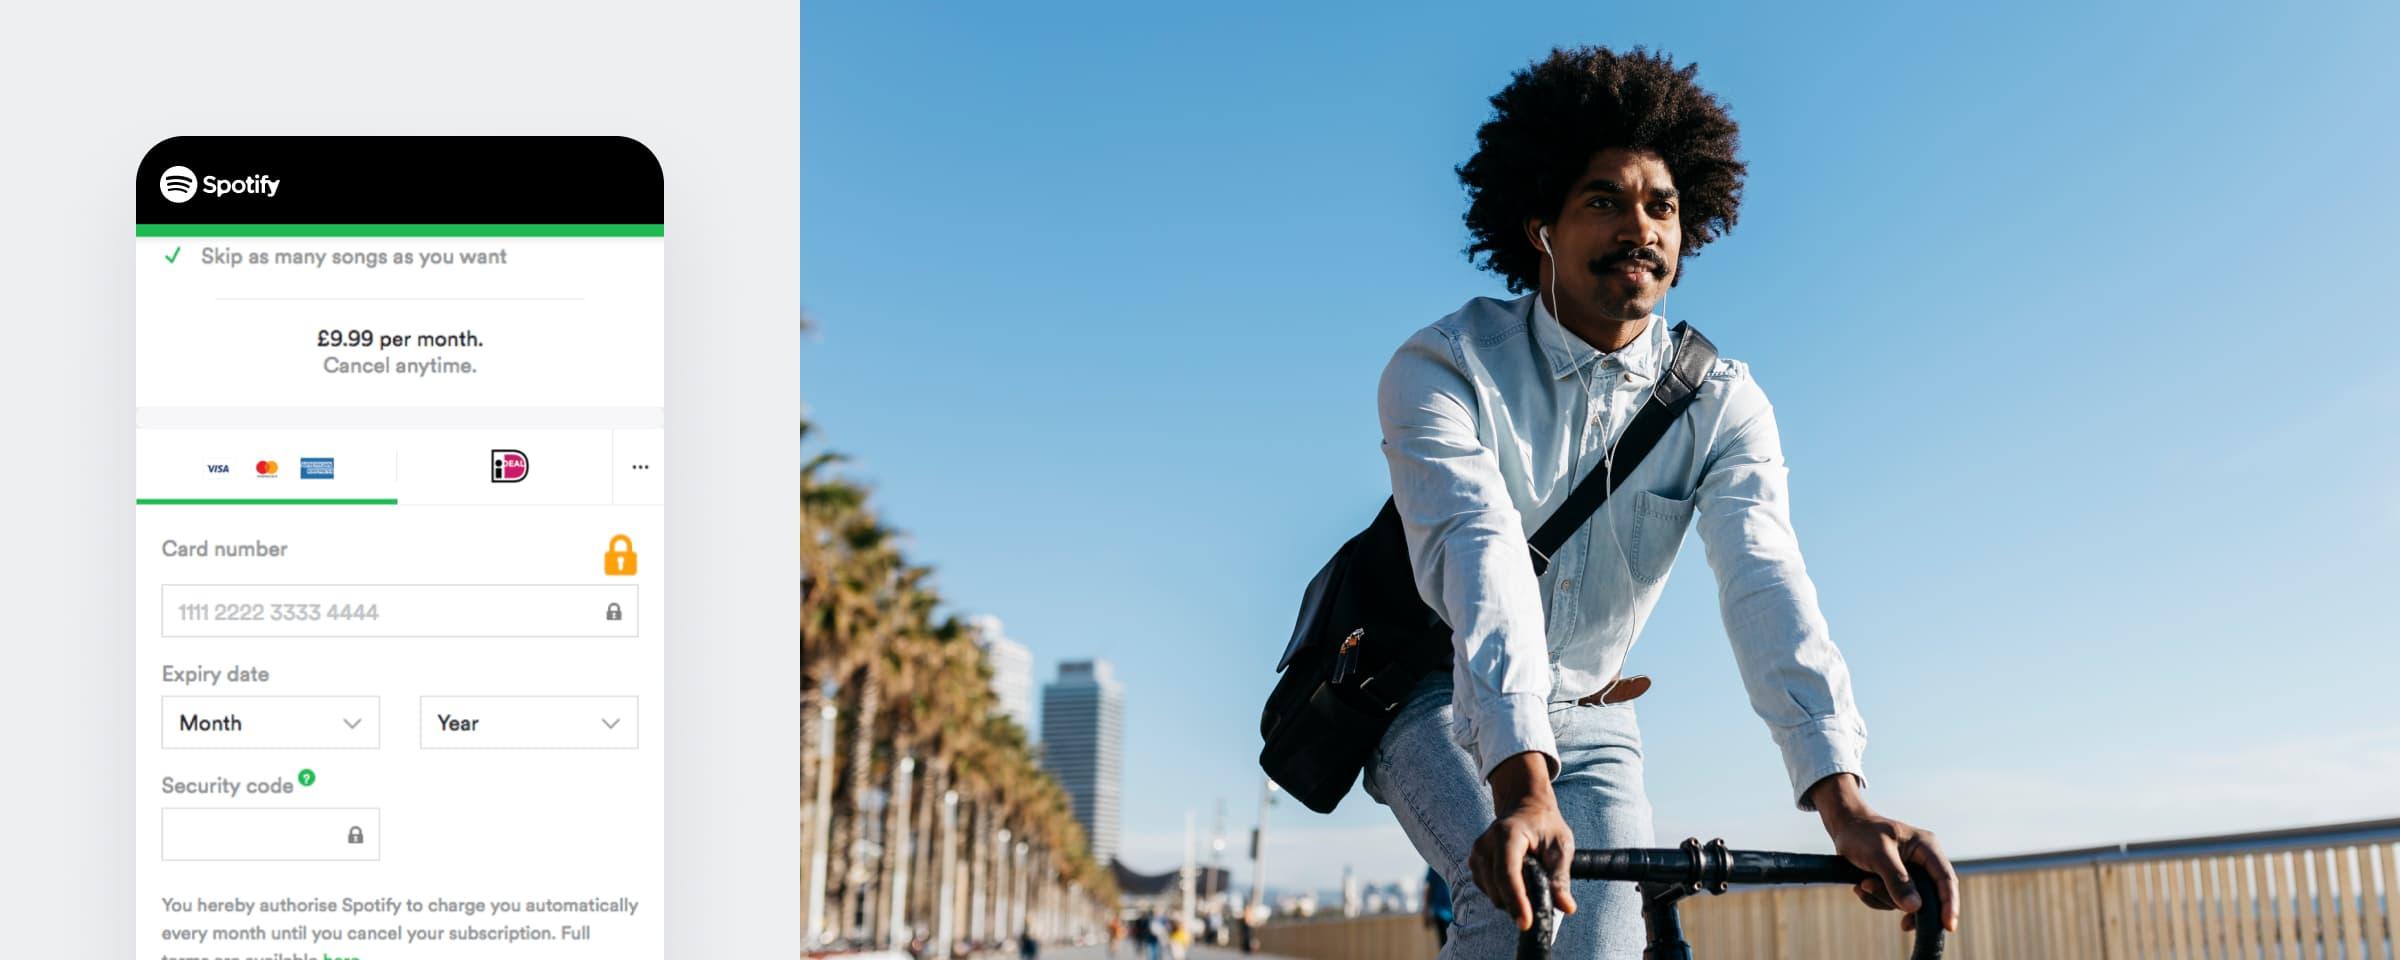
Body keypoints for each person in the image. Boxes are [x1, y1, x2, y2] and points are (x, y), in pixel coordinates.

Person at [1357, 45, 1960, 959]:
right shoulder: (1444, 369)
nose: (1639, 226)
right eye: (1602, 199)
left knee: (1600, 939)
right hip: (1436, 688)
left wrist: (1843, 800)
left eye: (1661, 205)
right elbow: (1480, 560)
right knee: (1516, 906)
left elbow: (1766, 582)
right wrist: (1521, 789)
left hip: (1595, 712)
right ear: (1539, 226)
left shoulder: (1723, 402)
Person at [1423, 864, 1456, 947]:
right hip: (1441, 913)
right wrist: (1426, 911)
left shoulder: (1455, 864)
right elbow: (1428, 888)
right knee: (1445, 945)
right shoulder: (1434, 865)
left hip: (1454, 913)